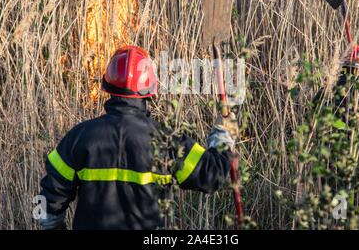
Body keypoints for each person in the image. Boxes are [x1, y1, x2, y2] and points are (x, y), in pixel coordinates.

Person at [37, 45, 239, 230]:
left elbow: (45, 204)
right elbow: (212, 176)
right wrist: (224, 134)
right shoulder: (168, 141)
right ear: (150, 90)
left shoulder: (79, 138)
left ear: (108, 85)